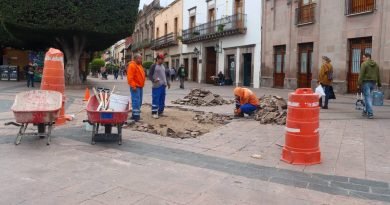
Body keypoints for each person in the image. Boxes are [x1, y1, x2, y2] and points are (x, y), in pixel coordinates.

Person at [358, 53, 381, 119]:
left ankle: (370, 113)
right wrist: (379, 84)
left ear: (368, 57)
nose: (363, 59)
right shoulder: (376, 64)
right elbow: (378, 74)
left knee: (368, 98)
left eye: (363, 57)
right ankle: (365, 110)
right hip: (373, 83)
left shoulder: (364, 64)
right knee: (368, 97)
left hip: (366, 82)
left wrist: (359, 84)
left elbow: (361, 74)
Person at [149, 54, 170, 119]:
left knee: (162, 99)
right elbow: (149, 75)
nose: (162, 60)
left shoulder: (163, 66)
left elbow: (164, 75)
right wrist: (153, 80)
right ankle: (154, 113)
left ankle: (160, 112)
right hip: (157, 86)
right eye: (161, 59)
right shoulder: (153, 66)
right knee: (156, 99)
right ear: (157, 59)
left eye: (163, 59)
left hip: (163, 85)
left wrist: (168, 82)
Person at [127, 54, 146, 122]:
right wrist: (133, 86)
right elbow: (130, 78)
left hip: (140, 86)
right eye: (139, 59)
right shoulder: (132, 65)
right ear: (135, 59)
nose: (141, 60)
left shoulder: (139, 65)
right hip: (135, 87)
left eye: (141, 58)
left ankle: (134, 114)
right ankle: (136, 117)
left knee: (139, 101)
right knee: (136, 101)